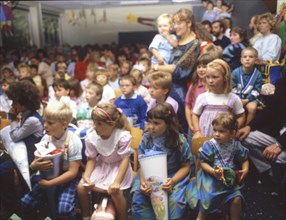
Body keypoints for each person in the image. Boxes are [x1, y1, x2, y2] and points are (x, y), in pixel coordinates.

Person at [21, 101, 82, 220]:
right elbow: (37, 161)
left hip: (68, 178)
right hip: (49, 175)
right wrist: (34, 165)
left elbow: (72, 172)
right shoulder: (46, 138)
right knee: (26, 203)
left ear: (64, 124)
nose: (45, 125)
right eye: (44, 121)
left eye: (50, 123)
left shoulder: (73, 142)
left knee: (64, 209)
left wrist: (49, 184)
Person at [131, 103, 192, 219]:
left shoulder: (179, 141)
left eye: (156, 123)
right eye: (149, 122)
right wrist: (143, 183)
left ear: (168, 124)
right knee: (139, 198)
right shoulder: (146, 138)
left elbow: (186, 166)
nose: (151, 127)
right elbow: (142, 163)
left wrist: (172, 181)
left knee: (175, 201)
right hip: (148, 174)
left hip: (173, 175)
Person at [186, 112, 249, 220]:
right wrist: (213, 172)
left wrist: (245, 169)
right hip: (211, 176)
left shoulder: (236, 145)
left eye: (221, 131)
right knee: (208, 198)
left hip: (229, 178)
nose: (216, 134)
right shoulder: (210, 145)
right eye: (215, 130)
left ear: (232, 133)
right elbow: (203, 163)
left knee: (237, 199)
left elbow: (244, 159)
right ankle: (200, 217)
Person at [77, 103, 133, 220]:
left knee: (115, 192)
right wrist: (86, 176)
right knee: (81, 187)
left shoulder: (121, 136)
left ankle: (123, 217)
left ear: (111, 124)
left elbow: (125, 160)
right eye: (94, 122)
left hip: (119, 167)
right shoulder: (91, 136)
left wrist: (117, 182)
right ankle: (86, 216)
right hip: (102, 165)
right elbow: (91, 159)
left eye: (99, 124)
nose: (95, 127)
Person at [151, 8, 200, 133]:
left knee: (179, 126)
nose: (175, 26)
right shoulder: (175, 41)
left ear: (189, 23)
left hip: (179, 90)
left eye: (179, 23)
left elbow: (179, 71)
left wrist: (156, 67)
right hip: (167, 86)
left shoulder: (193, 44)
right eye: (174, 23)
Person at [236, 77, 286, 184]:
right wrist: (249, 126)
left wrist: (280, 144)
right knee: (245, 138)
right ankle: (268, 172)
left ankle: (280, 185)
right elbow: (271, 109)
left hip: (283, 140)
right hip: (278, 132)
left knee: (280, 158)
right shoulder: (282, 82)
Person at [192, 59, 245, 138]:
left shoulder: (233, 98)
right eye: (207, 77)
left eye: (215, 77)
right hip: (204, 138)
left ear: (224, 78)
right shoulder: (202, 97)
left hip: (225, 140)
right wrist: (197, 131)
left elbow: (241, 116)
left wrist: (233, 129)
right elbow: (195, 115)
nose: (210, 80)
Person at [6, 80, 44, 164]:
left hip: (30, 157)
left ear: (24, 103)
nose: (12, 105)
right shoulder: (25, 114)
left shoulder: (32, 120)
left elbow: (15, 137)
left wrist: (13, 119)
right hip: (22, 152)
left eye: (15, 102)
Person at [185, 54, 214, 141]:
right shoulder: (194, 85)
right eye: (198, 67)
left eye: (204, 67)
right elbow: (187, 106)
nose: (201, 70)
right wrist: (190, 124)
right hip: (194, 126)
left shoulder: (215, 87)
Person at [232, 47, 263, 125]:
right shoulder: (235, 72)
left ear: (256, 60)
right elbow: (232, 87)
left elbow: (257, 90)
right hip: (237, 97)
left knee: (252, 108)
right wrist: (238, 99)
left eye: (251, 57)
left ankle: (247, 127)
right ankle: (233, 126)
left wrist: (247, 100)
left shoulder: (258, 74)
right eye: (245, 57)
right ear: (241, 60)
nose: (247, 59)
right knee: (230, 105)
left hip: (251, 98)